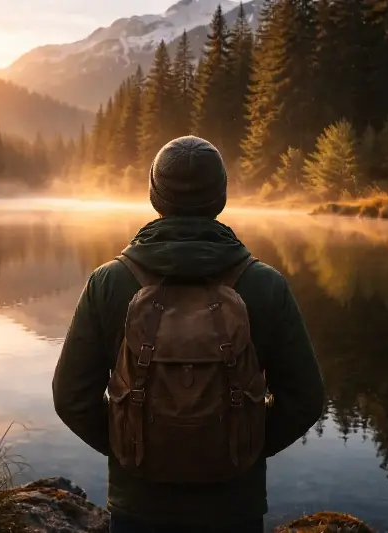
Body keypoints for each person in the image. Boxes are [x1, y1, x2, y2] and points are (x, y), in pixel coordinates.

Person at [52, 136, 326, 533]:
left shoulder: (109, 283)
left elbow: (71, 398)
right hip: (235, 506)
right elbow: (305, 400)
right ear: (221, 196)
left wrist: (131, 445)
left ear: (154, 195)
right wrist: (240, 446)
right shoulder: (265, 285)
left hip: (139, 505)